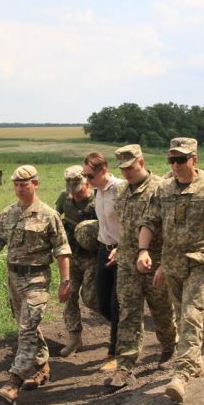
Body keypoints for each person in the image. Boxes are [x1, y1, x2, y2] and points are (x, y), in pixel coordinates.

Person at [137, 138, 204, 405]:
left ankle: (180, 375)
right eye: (171, 160)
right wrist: (143, 251)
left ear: (195, 159)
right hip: (172, 265)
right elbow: (149, 222)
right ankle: (196, 363)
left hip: (200, 263)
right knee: (182, 317)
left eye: (181, 160)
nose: (176, 165)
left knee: (191, 314)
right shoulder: (163, 189)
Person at [0, 165, 71, 405]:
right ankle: (43, 367)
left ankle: (13, 383)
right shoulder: (8, 213)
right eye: (16, 184)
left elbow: (62, 249)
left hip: (36, 279)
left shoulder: (49, 215)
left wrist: (65, 281)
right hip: (13, 278)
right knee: (27, 325)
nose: (19, 188)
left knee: (26, 330)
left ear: (35, 184)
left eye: (24, 184)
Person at [105, 145, 176, 389]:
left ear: (142, 162)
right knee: (128, 313)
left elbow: (170, 228)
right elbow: (123, 227)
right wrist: (118, 247)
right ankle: (125, 367)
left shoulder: (162, 188)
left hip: (155, 261)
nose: (127, 173)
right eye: (123, 169)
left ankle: (169, 347)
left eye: (131, 168)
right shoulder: (122, 191)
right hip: (126, 263)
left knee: (162, 311)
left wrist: (165, 262)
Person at [82, 152, 123, 372]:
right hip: (103, 249)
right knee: (101, 301)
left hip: (122, 251)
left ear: (103, 170)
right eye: (84, 175)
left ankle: (114, 353)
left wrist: (122, 248)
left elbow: (132, 222)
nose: (87, 180)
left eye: (90, 175)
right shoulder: (96, 191)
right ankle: (128, 328)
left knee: (117, 305)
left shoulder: (120, 189)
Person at [55, 165, 98, 356]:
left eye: (78, 188)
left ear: (87, 182)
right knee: (69, 295)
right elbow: (54, 219)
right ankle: (74, 338)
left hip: (93, 258)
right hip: (73, 256)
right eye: (71, 188)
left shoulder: (98, 199)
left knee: (90, 298)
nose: (75, 193)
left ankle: (119, 326)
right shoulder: (64, 198)